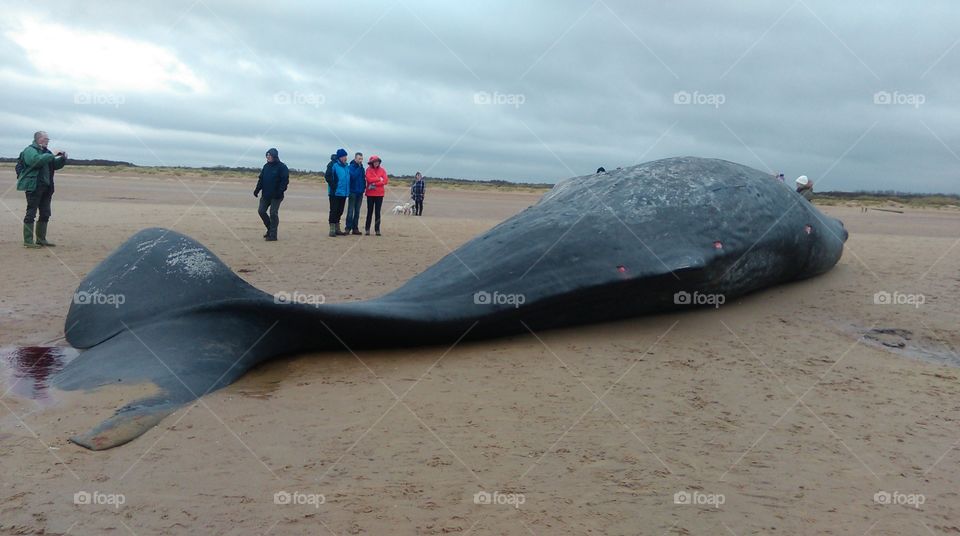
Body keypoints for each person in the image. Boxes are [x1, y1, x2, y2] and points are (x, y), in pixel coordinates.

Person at [17, 131, 67, 248]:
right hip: (33, 186)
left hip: (47, 187)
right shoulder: (30, 150)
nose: (47, 141)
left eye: (48, 139)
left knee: (45, 213)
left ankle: (41, 239)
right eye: (46, 139)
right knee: (31, 213)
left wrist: (62, 158)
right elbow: (36, 161)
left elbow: (54, 164)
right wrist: (51, 155)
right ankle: (28, 241)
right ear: (39, 139)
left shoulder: (46, 152)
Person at [253, 148, 289, 241]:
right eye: (267, 155)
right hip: (266, 195)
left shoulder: (282, 167)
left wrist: (280, 192)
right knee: (261, 211)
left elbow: (285, 181)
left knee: (273, 213)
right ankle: (270, 228)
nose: (268, 157)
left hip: (276, 196)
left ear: (274, 156)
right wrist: (257, 190)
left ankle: (273, 235)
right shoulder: (266, 166)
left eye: (269, 155)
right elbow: (261, 179)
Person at [327, 148, 351, 237]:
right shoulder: (333, 165)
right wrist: (334, 187)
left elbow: (347, 179)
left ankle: (337, 228)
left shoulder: (346, 166)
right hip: (335, 193)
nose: (345, 158)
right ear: (340, 157)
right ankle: (332, 229)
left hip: (344, 193)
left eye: (346, 156)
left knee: (340, 211)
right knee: (334, 210)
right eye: (344, 156)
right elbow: (328, 177)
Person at [364, 155, 388, 236]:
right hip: (370, 194)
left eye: (377, 161)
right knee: (369, 212)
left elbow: (385, 181)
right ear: (371, 162)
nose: (376, 163)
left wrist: (375, 183)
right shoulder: (368, 170)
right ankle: (367, 229)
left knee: (378, 212)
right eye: (374, 161)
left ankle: (377, 229)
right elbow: (369, 180)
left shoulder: (382, 170)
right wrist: (378, 179)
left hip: (379, 194)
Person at [345, 152, 366, 235]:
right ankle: (348, 228)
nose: (361, 160)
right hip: (352, 192)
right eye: (359, 159)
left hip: (360, 192)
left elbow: (363, 178)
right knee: (350, 210)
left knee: (357, 211)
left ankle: (355, 228)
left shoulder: (362, 168)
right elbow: (353, 177)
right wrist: (359, 168)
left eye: (361, 159)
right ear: (355, 159)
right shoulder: (350, 167)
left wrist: (364, 187)